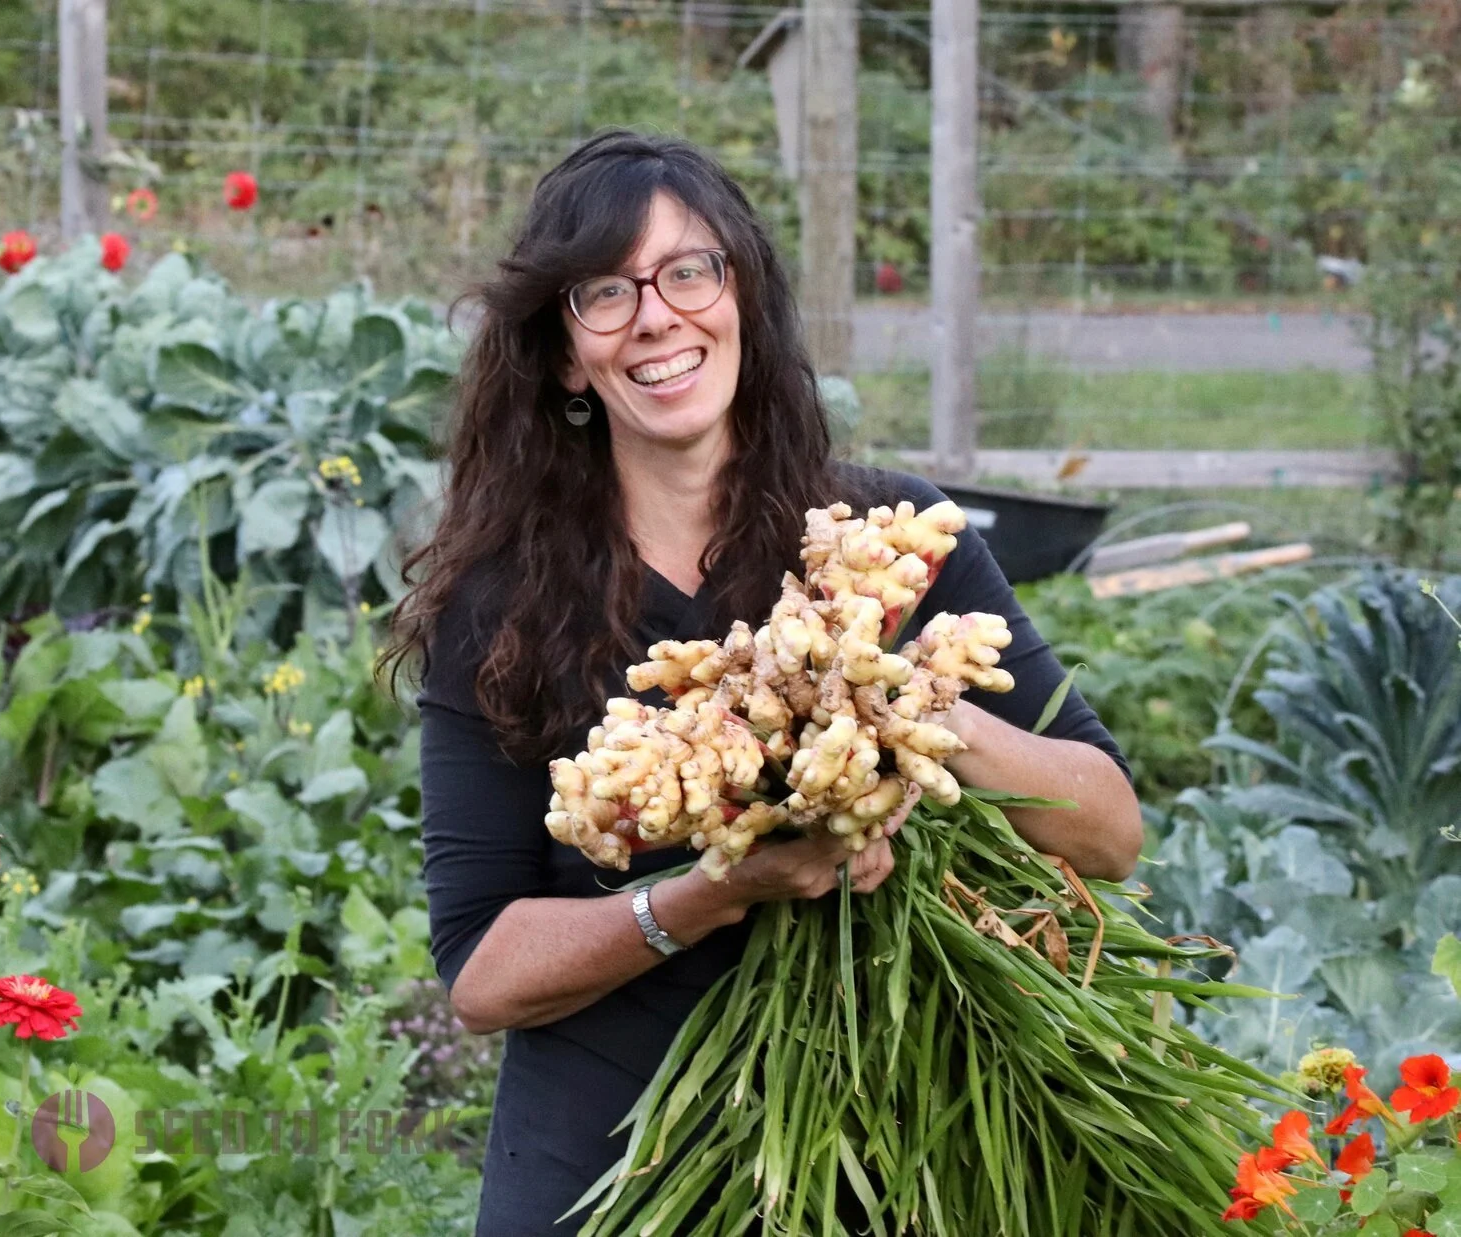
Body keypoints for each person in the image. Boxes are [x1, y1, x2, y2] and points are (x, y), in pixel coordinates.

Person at [383, 129, 1143, 1235]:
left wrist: (910, 705)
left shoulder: (891, 546)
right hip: (606, 1170)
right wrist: (714, 891)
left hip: (887, 1155)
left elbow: (1111, 833)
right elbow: (485, 974)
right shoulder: (502, 611)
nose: (657, 315)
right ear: (562, 354)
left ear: (744, 293)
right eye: (606, 291)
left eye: (690, 270)